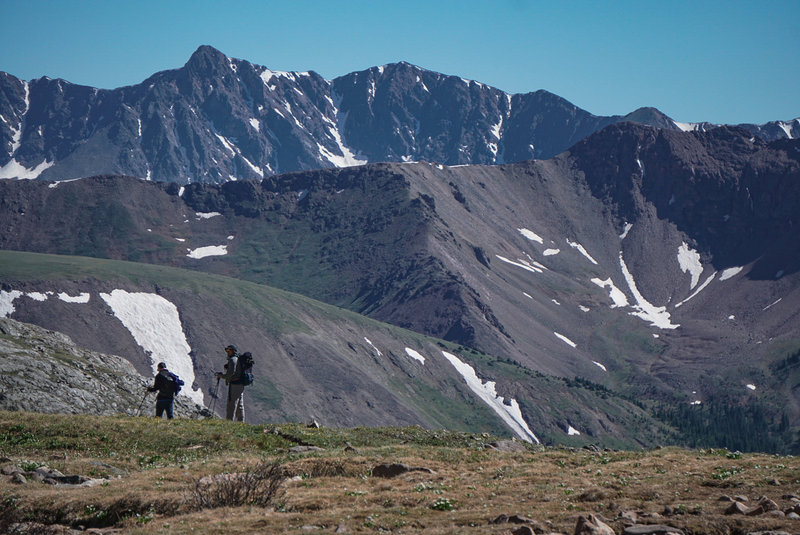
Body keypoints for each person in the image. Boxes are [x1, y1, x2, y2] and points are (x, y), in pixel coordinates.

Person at [216, 344, 245, 422]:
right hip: (241, 384)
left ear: (233, 351)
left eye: (229, 350)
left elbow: (230, 374)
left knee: (232, 404)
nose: (227, 352)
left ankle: (229, 422)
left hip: (235, 384)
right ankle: (241, 422)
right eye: (227, 351)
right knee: (240, 404)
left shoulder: (232, 360)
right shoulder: (238, 359)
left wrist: (221, 376)